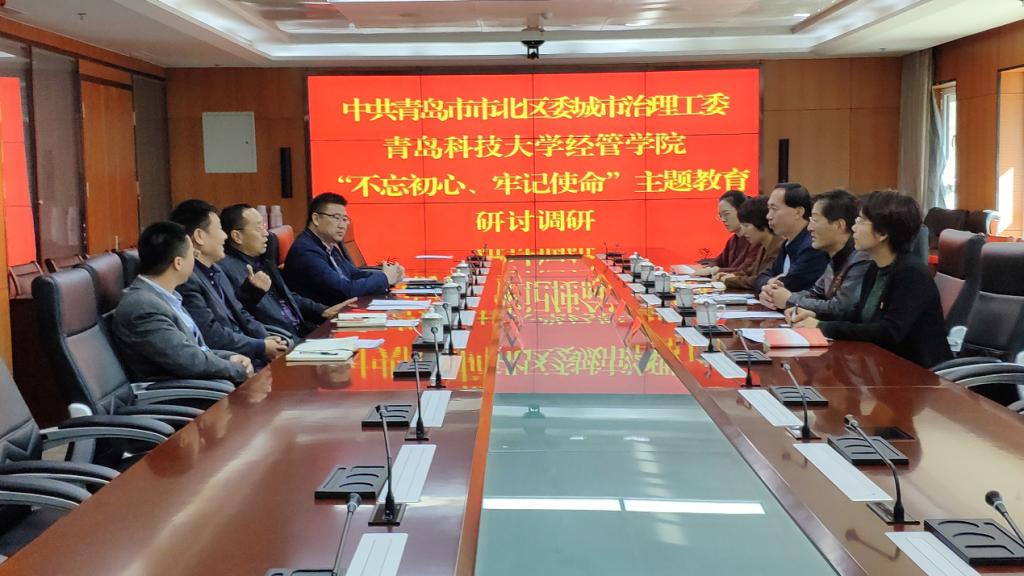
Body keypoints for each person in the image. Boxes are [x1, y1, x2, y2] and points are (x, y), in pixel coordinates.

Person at [789, 190, 953, 368]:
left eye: (860, 221)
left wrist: (822, 326)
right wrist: (815, 315)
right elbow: (859, 316)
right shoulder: (874, 268)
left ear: (882, 233)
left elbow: (888, 332)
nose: (853, 228)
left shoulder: (911, 274)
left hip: (920, 372)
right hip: (883, 364)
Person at [111, 221, 253, 385]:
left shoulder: (167, 296)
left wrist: (230, 357)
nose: (196, 257)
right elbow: (189, 361)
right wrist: (236, 369)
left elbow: (197, 350)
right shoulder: (142, 307)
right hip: (179, 392)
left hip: (202, 383)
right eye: (192, 253)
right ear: (178, 263)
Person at [170, 199, 289, 366]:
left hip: (251, 355)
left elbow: (241, 313)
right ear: (199, 236)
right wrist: (261, 346)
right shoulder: (187, 280)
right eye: (219, 229)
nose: (225, 236)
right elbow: (212, 335)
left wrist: (266, 339)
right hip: (233, 363)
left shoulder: (216, 270)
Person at [219, 203, 356, 338]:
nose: (266, 234)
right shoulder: (226, 270)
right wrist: (252, 292)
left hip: (303, 331)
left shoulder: (263, 260)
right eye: (258, 228)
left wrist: (323, 311)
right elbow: (237, 316)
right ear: (237, 236)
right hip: (283, 340)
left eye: (264, 227)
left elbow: (288, 297)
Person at [760, 189, 871, 316]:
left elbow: (841, 308)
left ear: (839, 225)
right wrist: (774, 295)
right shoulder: (834, 256)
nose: (809, 228)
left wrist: (789, 299)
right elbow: (815, 293)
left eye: (815, 220)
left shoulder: (861, 258)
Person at [283, 193, 404, 304]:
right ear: (316, 219)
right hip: (322, 318)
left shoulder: (327, 245)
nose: (342, 225)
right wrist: (385, 278)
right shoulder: (306, 251)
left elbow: (353, 274)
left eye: (345, 219)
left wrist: (387, 274)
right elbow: (345, 291)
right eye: (336, 218)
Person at [754, 182, 829, 294]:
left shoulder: (812, 246)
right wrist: (770, 282)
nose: (768, 216)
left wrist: (771, 284)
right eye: (769, 209)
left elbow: (789, 285)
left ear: (798, 212)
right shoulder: (787, 243)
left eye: (774, 209)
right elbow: (760, 278)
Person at [715, 197, 784, 290]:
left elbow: (760, 280)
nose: (743, 231)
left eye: (746, 226)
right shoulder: (763, 247)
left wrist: (730, 280)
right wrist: (730, 275)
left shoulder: (779, 247)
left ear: (761, 223)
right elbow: (749, 272)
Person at [693, 190, 757, 276]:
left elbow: (743, 271)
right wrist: (708, 268)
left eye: (726, 214)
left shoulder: (754, 239)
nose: (723, 219)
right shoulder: (732, 240)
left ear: (741, 211)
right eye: (721, 216)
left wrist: (714, 271)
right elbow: (718, 261)